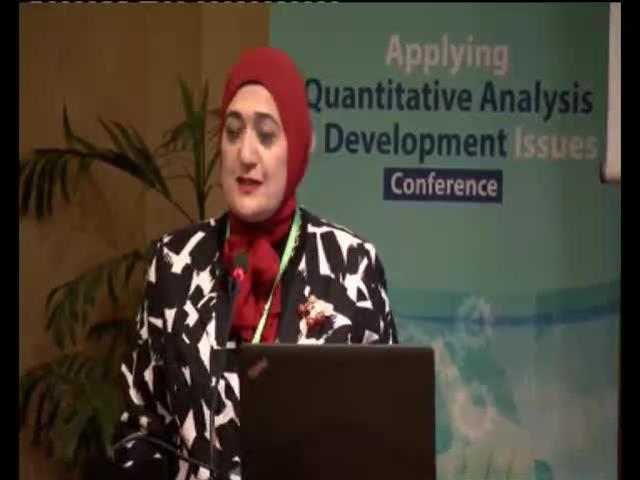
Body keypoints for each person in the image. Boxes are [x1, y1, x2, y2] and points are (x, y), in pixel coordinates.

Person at [112, 46, 398, 480]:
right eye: (233, 132)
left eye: (266, 135)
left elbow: (386, 444)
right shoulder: (174, 263)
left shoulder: (352, 266)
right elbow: (140, 431)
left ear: (297, 147)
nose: (245, 154)